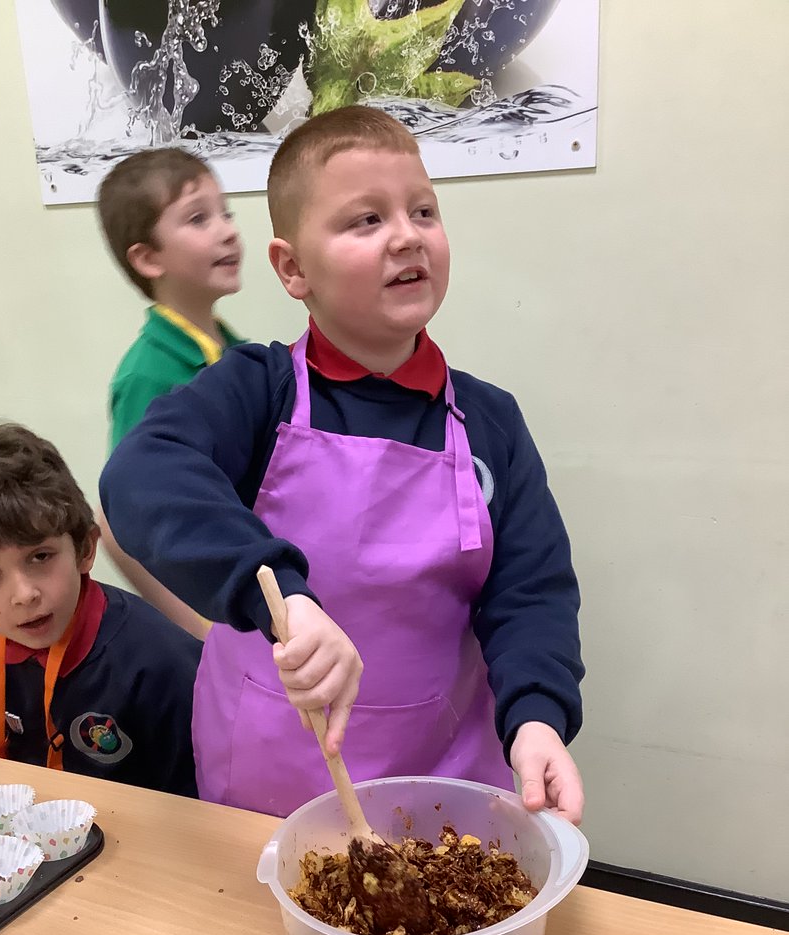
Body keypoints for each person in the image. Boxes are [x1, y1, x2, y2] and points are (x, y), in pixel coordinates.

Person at [100, 106, 585, 823]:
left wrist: (539, 716)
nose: (406, 236)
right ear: (293, 268)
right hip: (270, 780)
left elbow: (530, 592)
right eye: (365, 220)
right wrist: (283, 596)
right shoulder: (253, 392)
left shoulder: (491, 424)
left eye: (423, 210)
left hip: (442, 777)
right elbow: (140, 475)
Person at [0, 423, 201, 796]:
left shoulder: (164, 663)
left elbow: (195, 808)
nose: (24, 594)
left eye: (40, 556)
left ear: (84, 549)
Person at [96, 147, 245, 638]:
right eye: (199, 219)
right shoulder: (148, 378)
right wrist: (200, 628)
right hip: (220, 617)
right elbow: (122, 526)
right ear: (148, 257)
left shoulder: (243, 356)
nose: (227, 230)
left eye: (226, 214)